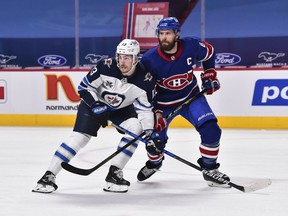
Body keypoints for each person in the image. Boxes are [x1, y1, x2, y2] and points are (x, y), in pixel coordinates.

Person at [32, 39, 159, 193]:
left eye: (127, 57)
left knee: (136, 129)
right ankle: (48, 176)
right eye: (120, 57)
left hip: (122, 110)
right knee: (78, 138)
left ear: (136, 57)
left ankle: (114, 174)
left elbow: (145, 110)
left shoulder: (146, 80)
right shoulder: (105, 66)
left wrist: (149, 134)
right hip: (94, 105)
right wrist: (96, 105)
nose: (122, 62)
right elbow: (84, 88)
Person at [137, 17, 231, 188]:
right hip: (162, 106)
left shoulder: (192, 46)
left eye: (168, 33)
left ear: (177, 34)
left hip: (191, 97)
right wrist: (155, 113)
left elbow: (209, 52)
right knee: (154, 143)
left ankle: (210, 170)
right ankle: (155, 164)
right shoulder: (149, 60)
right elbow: (144, 91)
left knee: (212, 131)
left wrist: (210, 74)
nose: (164, 37)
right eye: (161, 33)